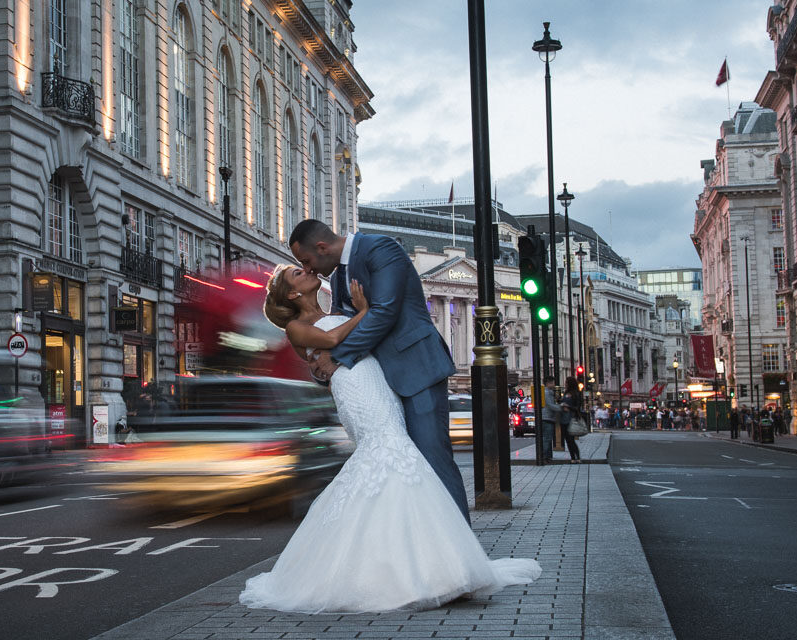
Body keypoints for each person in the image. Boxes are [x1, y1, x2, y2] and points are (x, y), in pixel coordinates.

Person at [239, 262, 539, 613]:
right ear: (292, 293)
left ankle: (423, 563)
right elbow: (334, 339)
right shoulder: (296, 327)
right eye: (297, 274)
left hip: (376, 381)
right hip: (354, 389)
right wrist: (365, 310)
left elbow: (358, 340)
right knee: (386, 450)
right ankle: (410, 570)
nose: (306, 271)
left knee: (394, 454)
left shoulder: (336, 309)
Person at [288, 219, 470, 523]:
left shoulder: (380, 249)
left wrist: (336, 358)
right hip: (379, 385)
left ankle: (462, 547)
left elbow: (385, 311)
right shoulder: (336, 280)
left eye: (307, 262)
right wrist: (320, 364)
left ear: (322, 247)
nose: (309, 270)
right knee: (406, 470)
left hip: (417, 371)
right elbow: (341, 328)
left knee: (432, 459)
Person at [557, 376, 583, 463]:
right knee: (567, 439)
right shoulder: (565, 393)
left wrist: (569, 407)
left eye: (566, 382)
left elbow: (578, 406)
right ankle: (573, 457)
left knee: (571, 439)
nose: (565, 384)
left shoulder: (576, 393)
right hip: (563, 418)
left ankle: (577, 457)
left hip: (571, 418)